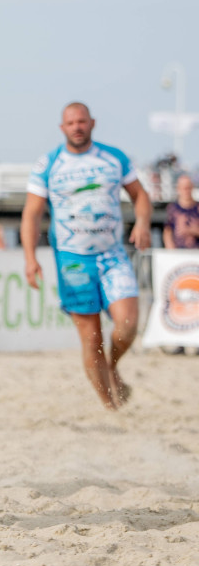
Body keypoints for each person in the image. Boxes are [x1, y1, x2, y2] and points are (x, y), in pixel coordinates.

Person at [21, 102, 152, 410]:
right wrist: (30, 257)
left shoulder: (113, 157)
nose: (77, 126)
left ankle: (113, 365)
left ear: (92, 123)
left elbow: (140, 195)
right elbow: (32, 214)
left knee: (128, 324)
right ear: (62, 128)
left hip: (112, 255)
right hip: (73, 259)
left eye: (82, 121)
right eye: (70, 123)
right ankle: (111, 406)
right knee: (91, 338)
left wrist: (143, 222)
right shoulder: (48, 164)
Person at [163, 174, 199, 250]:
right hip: (179, 253)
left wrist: (192, 230)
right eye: (184, 188)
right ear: (178, 189)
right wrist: (171, 249)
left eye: (188, 188)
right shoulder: (172, 208)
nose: (186, 191)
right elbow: (167, 231)